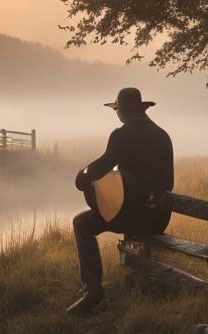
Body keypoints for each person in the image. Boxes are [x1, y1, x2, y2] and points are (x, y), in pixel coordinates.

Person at [67, 87, 174, 315]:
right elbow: (169, 183)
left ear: (122, 112)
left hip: (133, 217)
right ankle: (96, 288)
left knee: (82, 223)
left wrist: (82, 175)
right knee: (124, 203)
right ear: (142, 109)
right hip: (159, 218)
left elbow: (99, 168)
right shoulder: (163, 135)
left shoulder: (122, 134)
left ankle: (91, 289)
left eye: (117, 110)